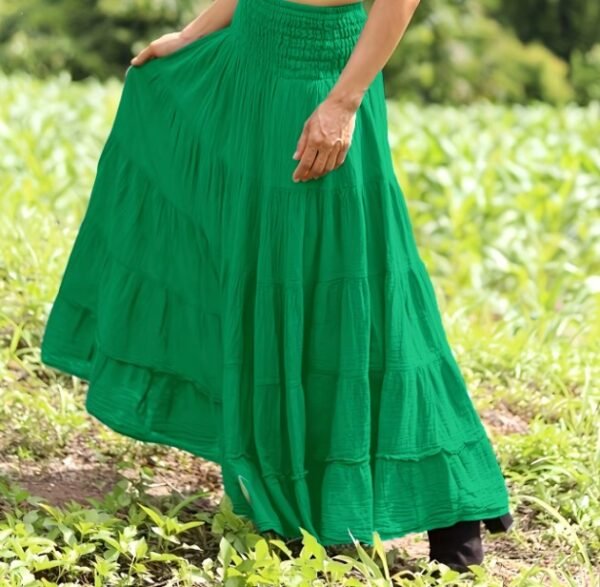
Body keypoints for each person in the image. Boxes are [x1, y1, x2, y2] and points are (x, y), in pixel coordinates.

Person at [40, 0, 513, 573]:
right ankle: (295, 497)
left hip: (320, 77)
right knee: (262, 275)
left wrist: (344, 99)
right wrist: (194, 32)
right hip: (249, 63)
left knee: (365, 288)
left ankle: (455, 512)